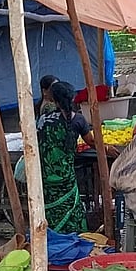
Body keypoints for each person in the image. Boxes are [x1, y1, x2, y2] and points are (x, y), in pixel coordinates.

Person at [36, 81, 95, 234]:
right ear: (72, 98)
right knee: (71, 208)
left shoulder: (43, 120)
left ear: (54, 100)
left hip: (46, 176)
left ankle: (53, 237)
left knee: (50, 208)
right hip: (66, 176)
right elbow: (91, 142)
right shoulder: (78, 120)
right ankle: (73, 237)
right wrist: (107, 148)